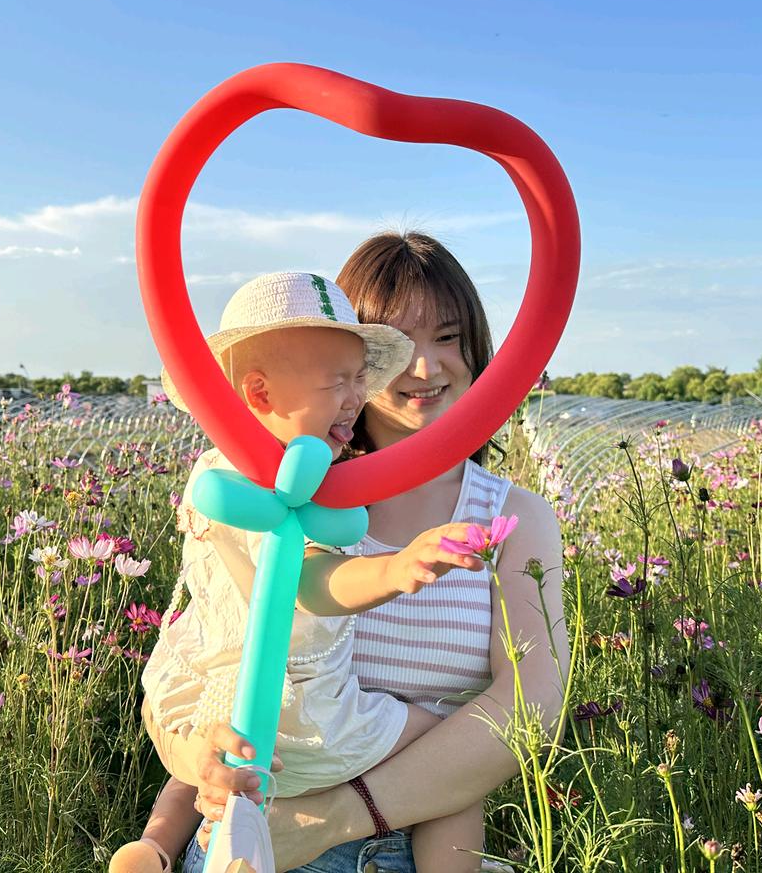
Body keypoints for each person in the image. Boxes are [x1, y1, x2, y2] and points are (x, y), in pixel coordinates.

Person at [184, 232, 570, 873]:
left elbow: (531, 708)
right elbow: (201, 666)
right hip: (258, 834)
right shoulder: (288, 501)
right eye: (397, 345)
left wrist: (340, 819)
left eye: (448, 337)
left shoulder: (513, 518)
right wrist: (200, 754)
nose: (424, 368)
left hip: (414, 842)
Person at [110, 270, 494, 873]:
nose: (356, 398)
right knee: (446, 743)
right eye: (339, 381)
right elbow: (314, 583)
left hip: (211, 687)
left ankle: (155, 845)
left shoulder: (216, 472)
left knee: (217, 760)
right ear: (260, 394)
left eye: (360, 377)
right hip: (313, 717)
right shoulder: (293, 489)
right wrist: (397, 567)